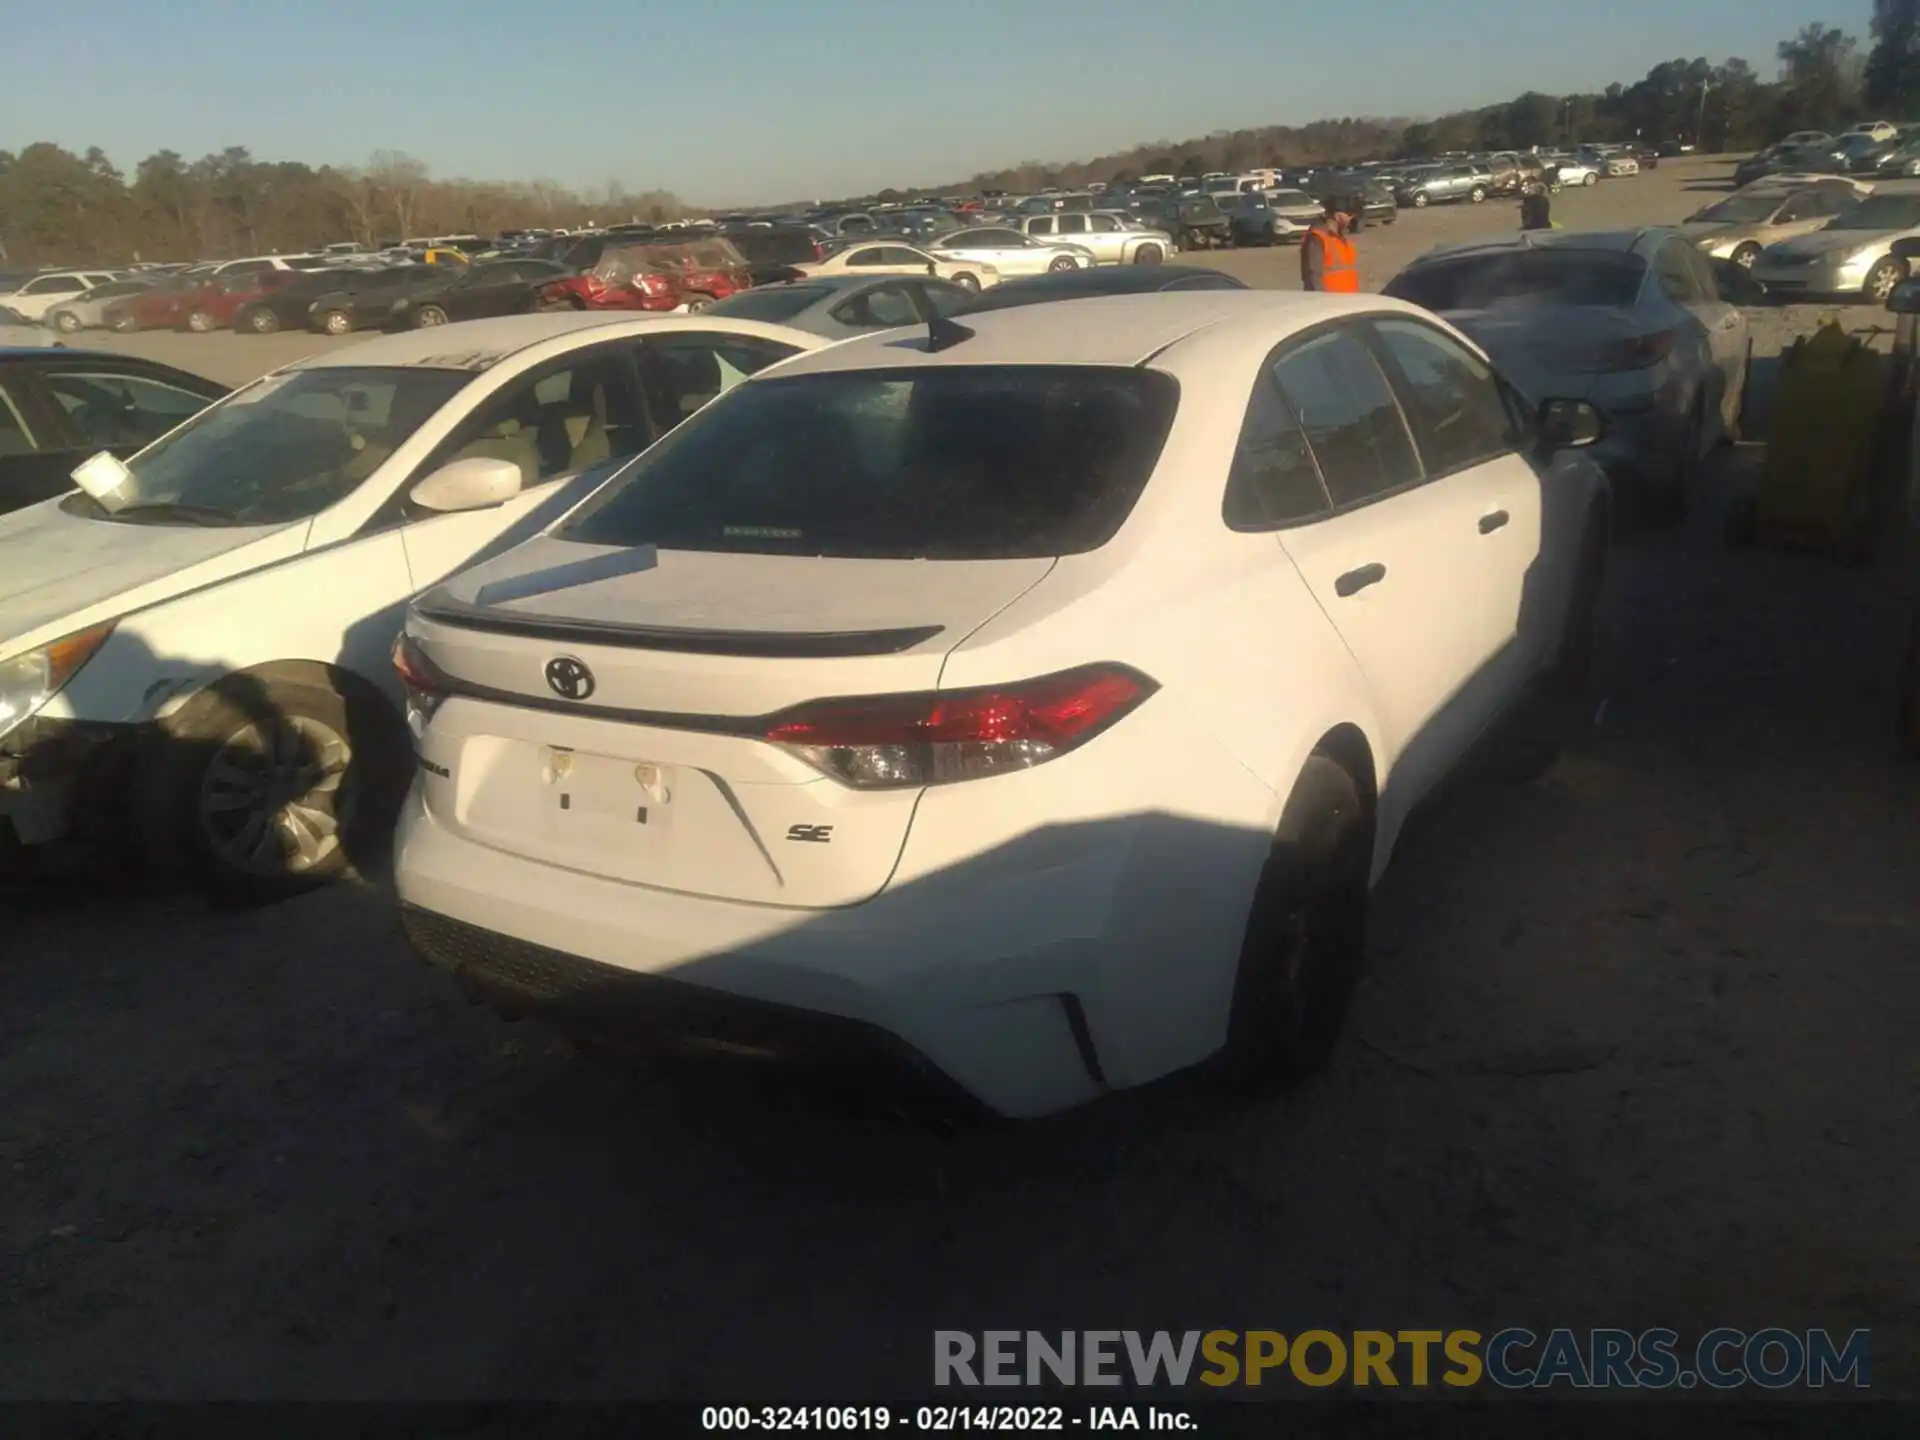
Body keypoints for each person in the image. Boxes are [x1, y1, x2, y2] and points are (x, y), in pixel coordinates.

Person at [1300, 196, 1360, 293]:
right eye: (1349, 215)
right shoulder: (1318, 238)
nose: (1351, 219)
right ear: (1337, 216)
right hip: (1330, 303)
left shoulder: (1342, 238)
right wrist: (1321, 301)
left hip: (1349, 301)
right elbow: (1313, 276)